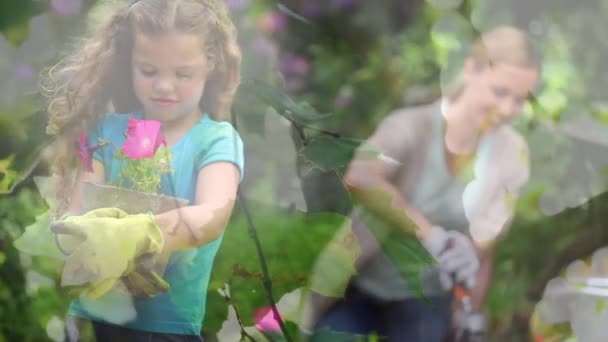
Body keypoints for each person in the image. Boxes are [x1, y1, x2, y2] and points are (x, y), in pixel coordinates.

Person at [301, 26, 539, 341]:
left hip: (425, 298)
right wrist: (432, 236)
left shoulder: (511, 152)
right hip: (359, 281)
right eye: (500, 92)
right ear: (471, 68)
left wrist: (468, 290)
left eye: (520, 100)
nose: (508, 109)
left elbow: (487, 243)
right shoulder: (411, 127)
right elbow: (361, 176)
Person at [42, 0, 243, 340]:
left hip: (165, 328)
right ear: (129, 61)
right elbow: (80, 207)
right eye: (149, 71)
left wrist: (143, 233)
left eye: (182, 73)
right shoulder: (106, 132)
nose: (165, 86)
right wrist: (75, 232)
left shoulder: (217, 140)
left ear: (209, 63)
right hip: (95, 316)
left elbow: (213, 214)